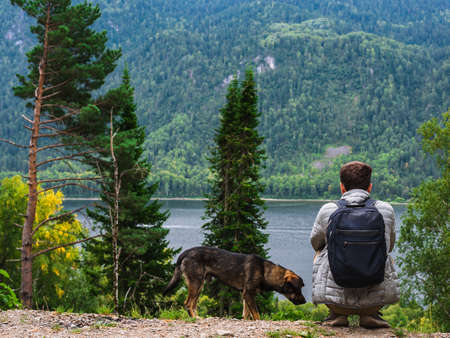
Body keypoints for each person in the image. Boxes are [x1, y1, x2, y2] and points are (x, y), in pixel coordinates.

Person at [310, 161, 399, 328]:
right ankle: (370, 313)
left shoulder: (328, 209)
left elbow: (315, 242)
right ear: (370, 187)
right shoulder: (385, 209)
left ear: (342, 187)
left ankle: (337, 314)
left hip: (335, 300)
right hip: (376, 300)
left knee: (319, 250)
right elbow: (390, 246)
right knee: (386, 254)